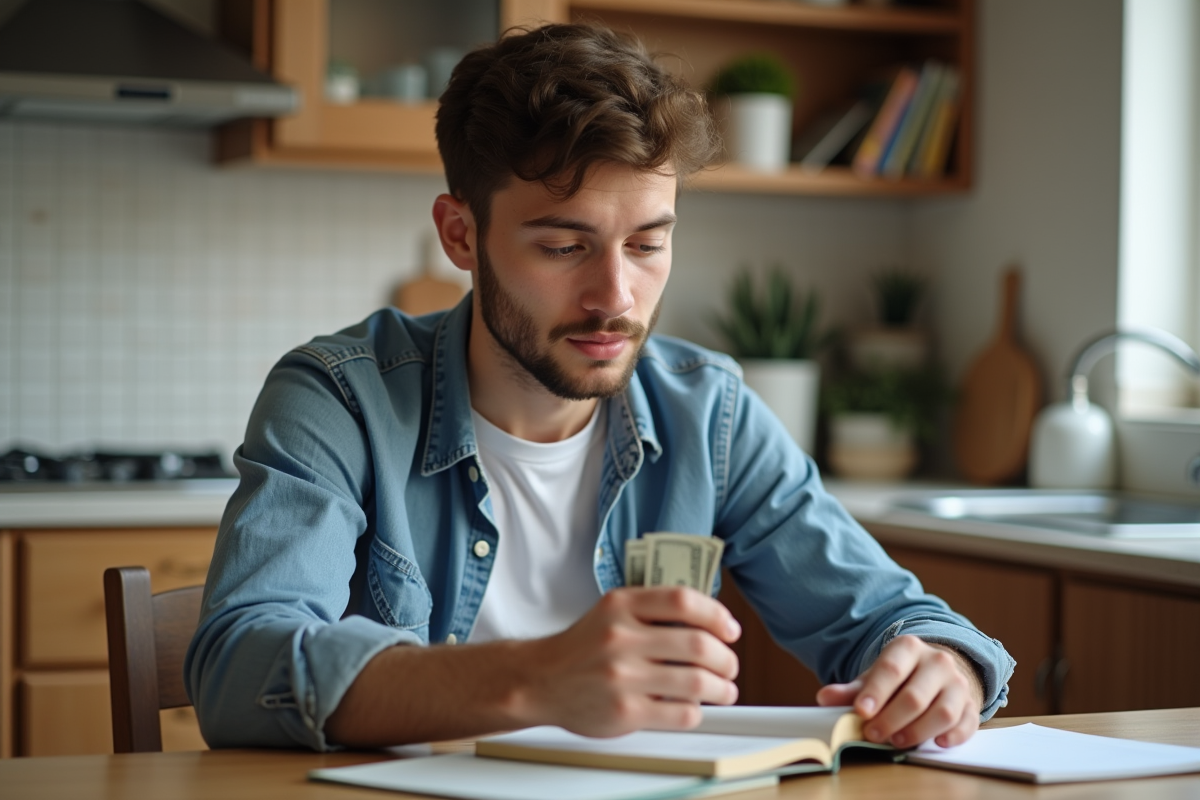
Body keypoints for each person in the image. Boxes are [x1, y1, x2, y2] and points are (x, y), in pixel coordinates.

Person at [186, 23, 1014, 753]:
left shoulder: (709, 413)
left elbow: (886, 617)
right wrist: (534, 678)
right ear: (461, 235)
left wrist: (941, 668)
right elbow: (238, 667)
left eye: (648, 245)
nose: (615, 297)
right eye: (563, 247)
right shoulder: (340, 399)